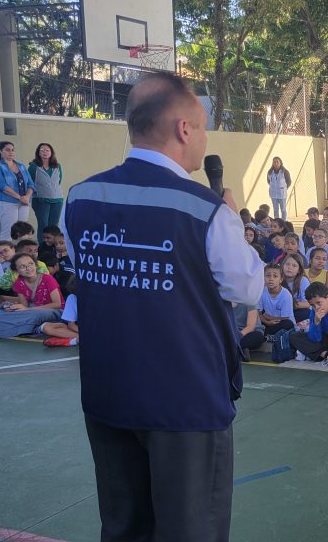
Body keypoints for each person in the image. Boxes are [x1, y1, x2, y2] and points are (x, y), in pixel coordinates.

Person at [62, 73, 264, 541]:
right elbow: (250, 287)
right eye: (204, 127)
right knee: (190, 530)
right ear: (184, 129)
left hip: (108, 393)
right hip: (184, 403)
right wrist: (232, 217)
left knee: (124, 526)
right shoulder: (204, 210)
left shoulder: (81, 198)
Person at [0, 141, 35, 242]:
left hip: (24, 202)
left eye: (12, 150)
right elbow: (2, 185)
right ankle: (5, 256)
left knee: (23, 231)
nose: (11, 152)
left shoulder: (21, 165)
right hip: (6, 202)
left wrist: (26, 197)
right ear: (1, 151)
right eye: (7, 150)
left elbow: (31, 184)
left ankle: (20, 255)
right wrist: (20, 197)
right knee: (8, 231)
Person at [28, 143, 64, 241]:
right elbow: (29, 182)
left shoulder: (57, 166)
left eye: (47, 150)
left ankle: (53, 247)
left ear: (51, 152)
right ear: (38, 152)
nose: (45, 152)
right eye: (42, 150)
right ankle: (43, 247)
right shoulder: (34, 166)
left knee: (54, 226)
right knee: (43, 224)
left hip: (57, 200)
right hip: (41, 199)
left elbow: (59, 181)